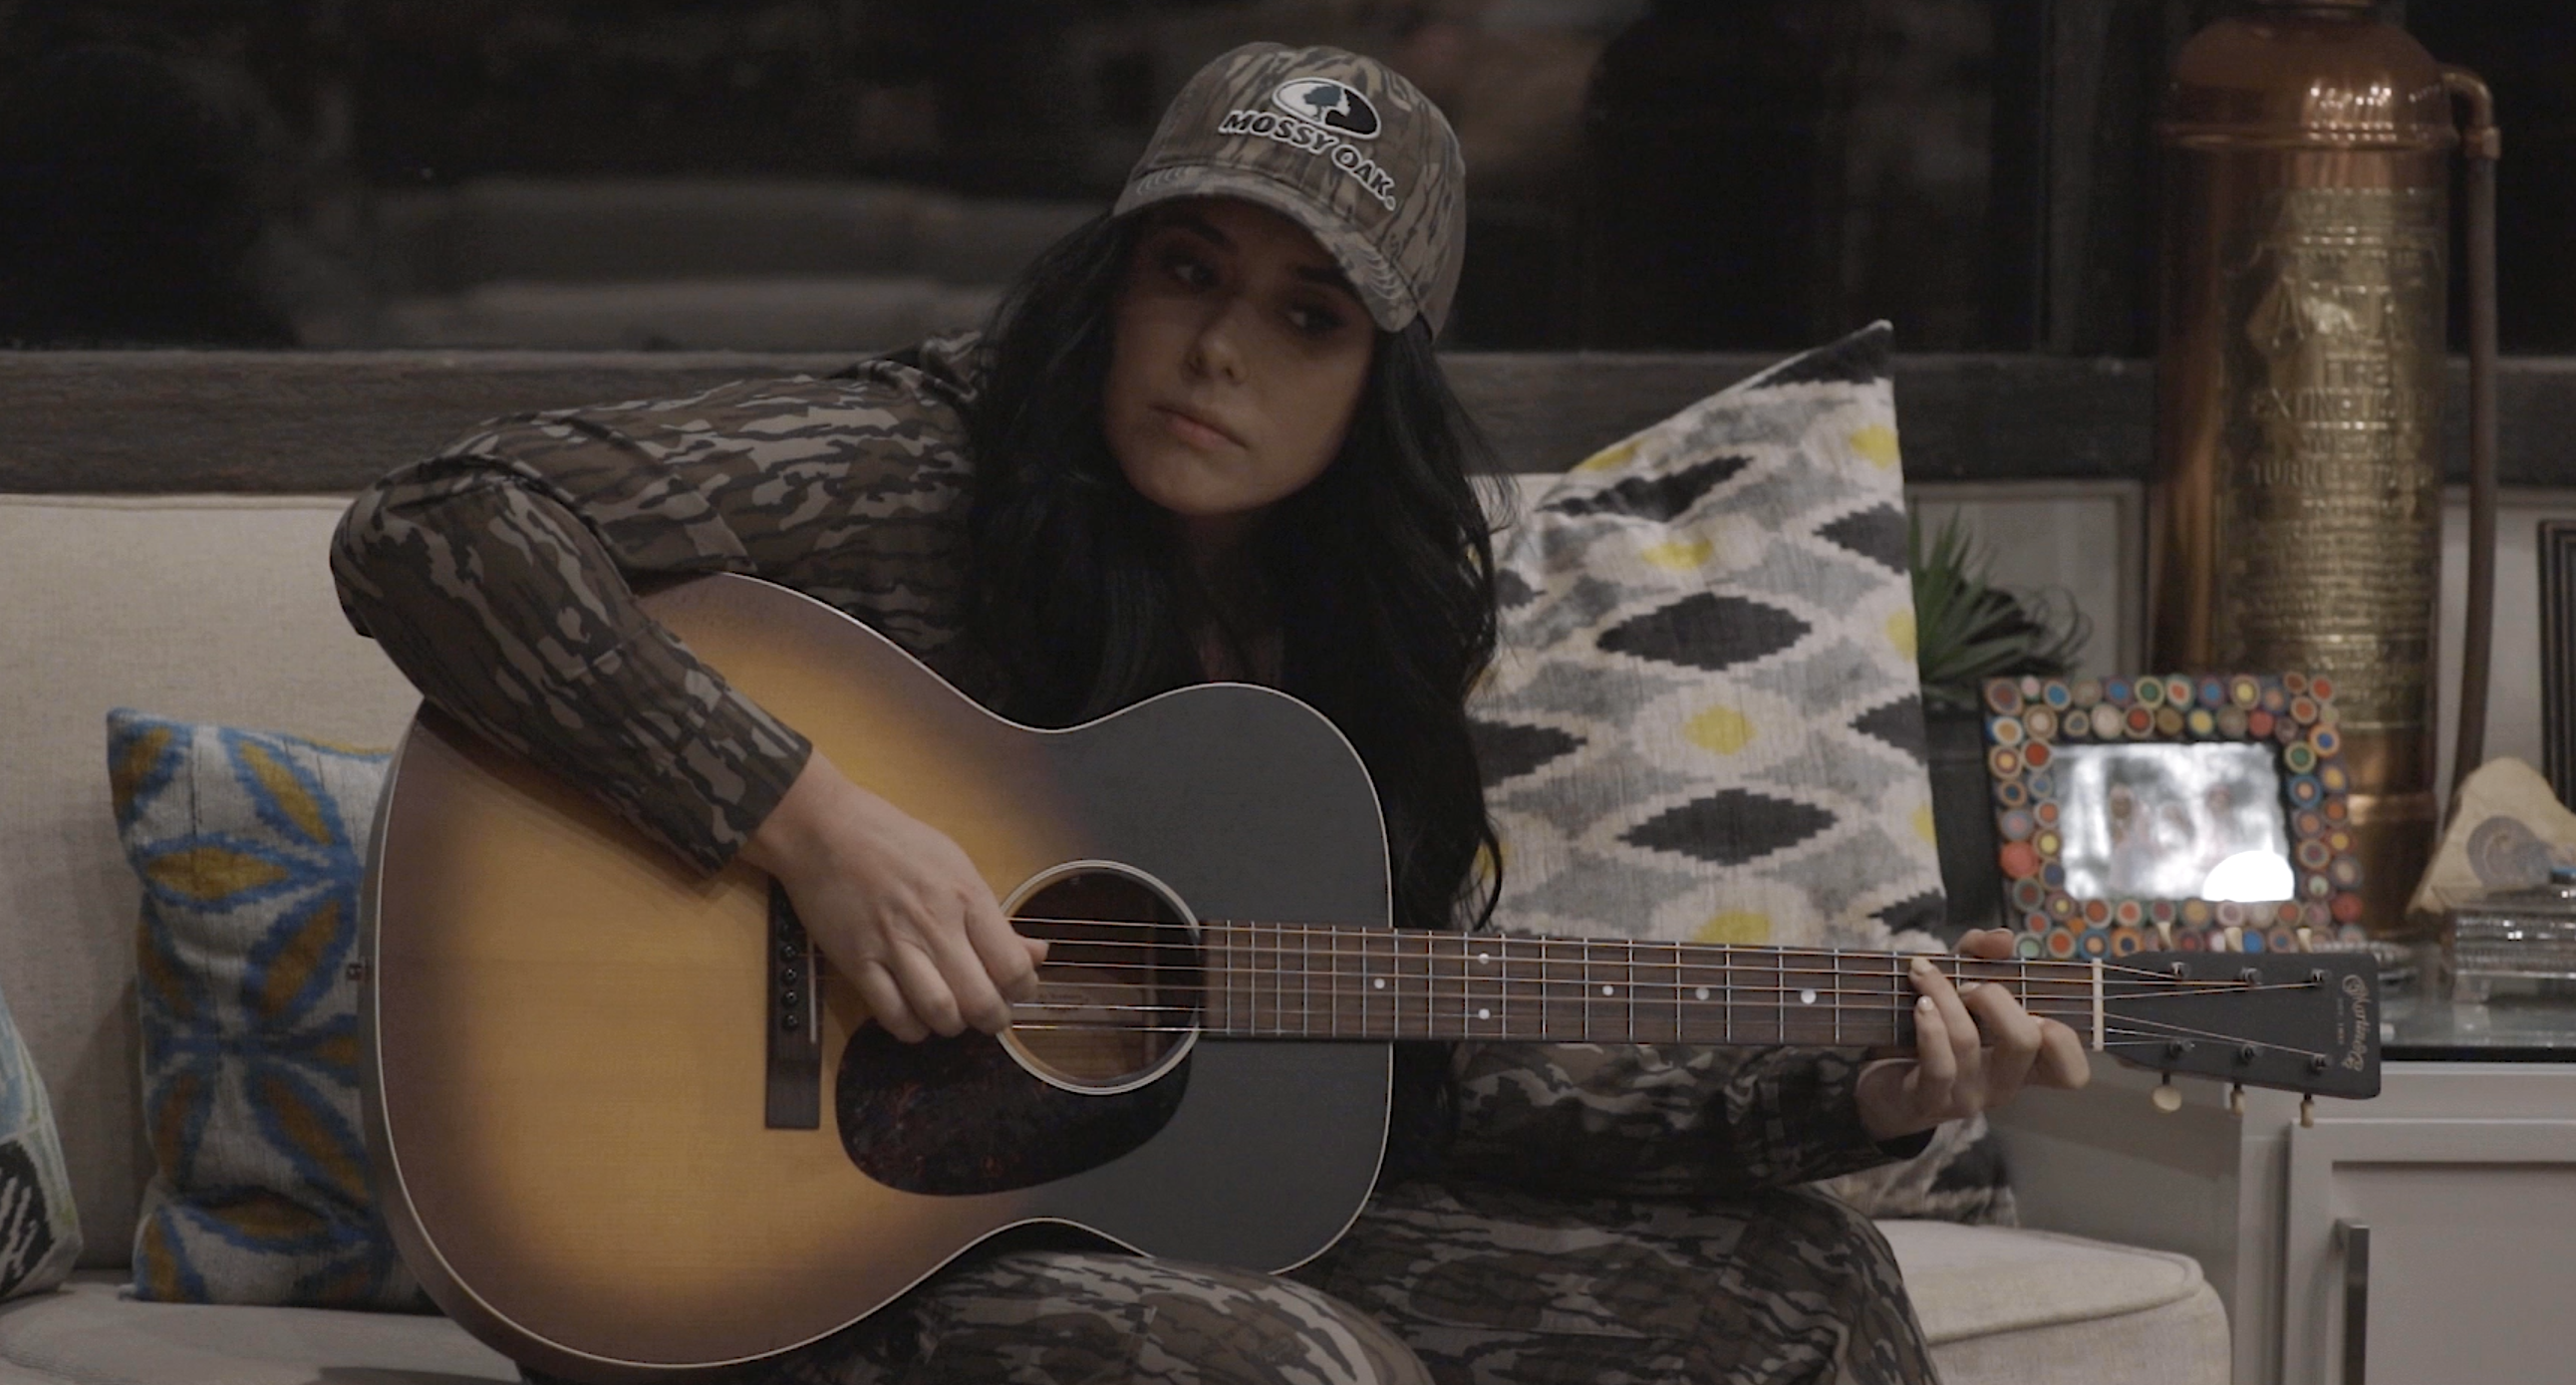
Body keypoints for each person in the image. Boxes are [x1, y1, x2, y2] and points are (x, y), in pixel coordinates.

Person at [333, 42, 2090, 1385]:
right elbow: (433, 528)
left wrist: (1856, 1094)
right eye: (1187, 272)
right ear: (1115, 282)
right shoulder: (916, 463)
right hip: (725, 1233)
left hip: (1093, 1205)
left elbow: (1426, 1081)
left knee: (1806, 1292)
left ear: (1377, 376)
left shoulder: (1358, 626)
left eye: (1304, 314)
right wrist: (811, 827)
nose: (1217, 350)